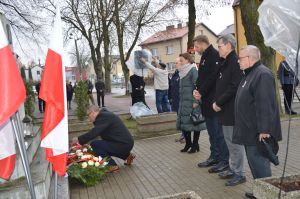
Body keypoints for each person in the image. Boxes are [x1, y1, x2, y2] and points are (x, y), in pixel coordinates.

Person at [233, 45, 282, 198]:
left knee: (260, 166)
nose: (238, 61)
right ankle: (260, 191)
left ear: (250, 58)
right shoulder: (249, 73)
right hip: (249, 131)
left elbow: (265, 103)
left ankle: (267, 194)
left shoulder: (262, 74)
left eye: (240, 58)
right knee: (254, 165)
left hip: (258, 133)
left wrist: (265, 130)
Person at [210, 34, 245, 186]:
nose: (218, 49)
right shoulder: (225, 62)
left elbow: (234, 86)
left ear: (229, 45)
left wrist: (219, 102)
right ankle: (232, 168)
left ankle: (239, 173)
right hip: (225, 109)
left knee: (235, 143)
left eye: (220, 46)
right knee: (229, 142)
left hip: (231, 110)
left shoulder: (235, 62)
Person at [193, 35, 229, 170]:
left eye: (197, 46)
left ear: (203, 43)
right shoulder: (205, 56)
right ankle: (214, 156)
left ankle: (222, 159)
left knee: (218, 133)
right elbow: (201, 76)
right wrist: (196, 89)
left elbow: (212, 78)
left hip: (213, 100)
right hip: (206, 100)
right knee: (212, 132)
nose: (196, 49)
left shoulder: (214, 55)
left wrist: (201, 91)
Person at [72, 105, 135, 173]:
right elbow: (96, 133)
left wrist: (79, 140)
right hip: (124, 143)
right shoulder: (104, 115)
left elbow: (94, 132)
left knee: (95, 145)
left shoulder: (103, 117)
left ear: (93, 112)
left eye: (88, 115)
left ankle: (112, 165)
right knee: (102, 146)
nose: (88, 118)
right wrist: (84, 143)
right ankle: (127, 156)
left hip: (123, 144)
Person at [176, 53, 206, 153]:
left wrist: (196, 101)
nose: (179, 62)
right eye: (179, 60)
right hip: (183, 102)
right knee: (185, 124)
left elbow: (197, 86)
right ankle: (188, 143)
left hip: (192, 102)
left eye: (181, 60)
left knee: (195, 122)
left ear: (187, 60)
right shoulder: (182, 71)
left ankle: (195, 144)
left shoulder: (193, 70)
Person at [171, 58, 184, 143]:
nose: (175, 64)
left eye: (177, 63)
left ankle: (185, 137)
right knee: (179, 119)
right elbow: (172, 87)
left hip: (182, 101)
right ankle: (183, 135)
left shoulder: (184, 73)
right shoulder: (175, 74)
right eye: (175, 63)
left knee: (184, 119)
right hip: (175, 100)